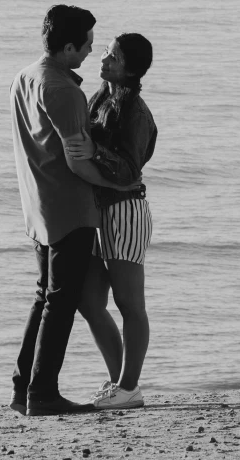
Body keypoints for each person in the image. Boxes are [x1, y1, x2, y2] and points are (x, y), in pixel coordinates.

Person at [9, 6, 141, 417]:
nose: (89, 52)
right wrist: (120, 184)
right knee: (60, 304)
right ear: (67, 47)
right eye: (85, 45)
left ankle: (22, 388)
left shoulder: (25, 76)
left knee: (44, 298)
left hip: (38, 206)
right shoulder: (64, 90)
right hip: (69, 209)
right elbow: (78, 161)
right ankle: (43, 393)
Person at [66, 33, 157, 410]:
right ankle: (121, 383)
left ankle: (129, 386)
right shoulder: (101, 96)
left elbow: (129, 171)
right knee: (88, 301)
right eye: (105, 51)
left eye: (114, 57)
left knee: (129, 303)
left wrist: (94, 150)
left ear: (131, 69)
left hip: (125, 211)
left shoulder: (135, 111)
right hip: (96, 211)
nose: (104, 59)